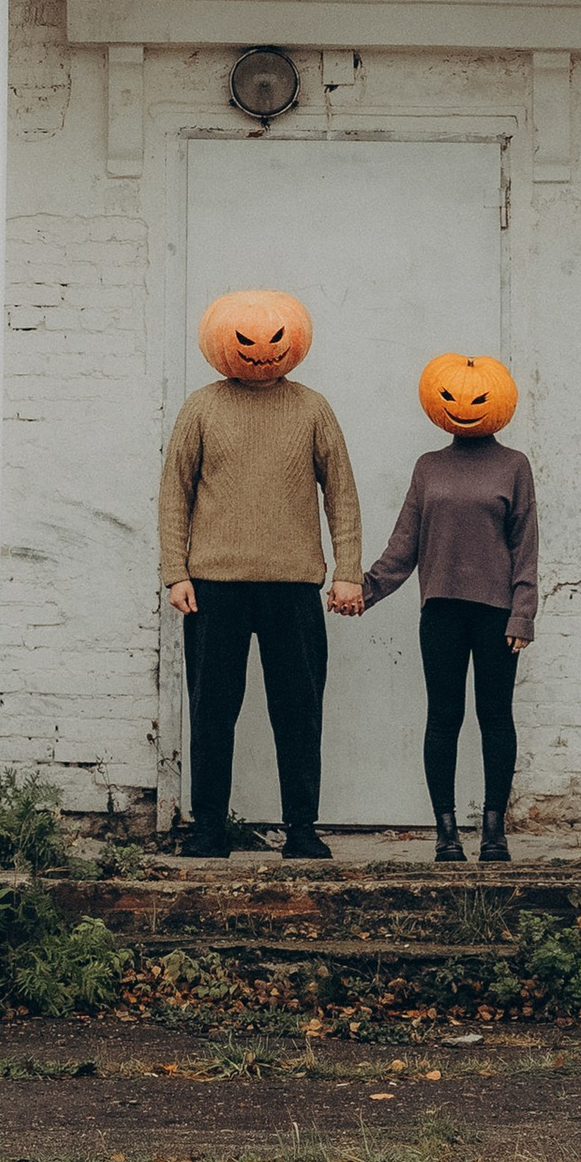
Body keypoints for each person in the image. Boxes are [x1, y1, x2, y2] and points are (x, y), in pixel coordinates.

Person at [159, 284, 363, 860]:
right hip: (213, 589)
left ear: (291, 343)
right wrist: (176, 570)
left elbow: (341, 493)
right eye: (246, 341)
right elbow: (174, 492)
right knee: (212, 713)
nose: (261, 350)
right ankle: (208, 831)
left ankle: (302, 829)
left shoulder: (312, 407)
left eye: (274, 339)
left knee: (298, 713)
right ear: (224, 345)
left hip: (294, 588)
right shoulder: (201, 407)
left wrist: (347, 571)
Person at [362, 349, 536, 864]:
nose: (466, 407)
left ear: (497, 403)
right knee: (443, 718)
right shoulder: (429, 467)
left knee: (495, 717)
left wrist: (522, 612)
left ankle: (494, 833)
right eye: (456, 399)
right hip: (440, 612)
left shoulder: (514, 466)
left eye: (479, 399)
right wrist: (366, 590)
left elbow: (525, 544)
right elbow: (405, 545)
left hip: (497, 616)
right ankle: (446, 834)